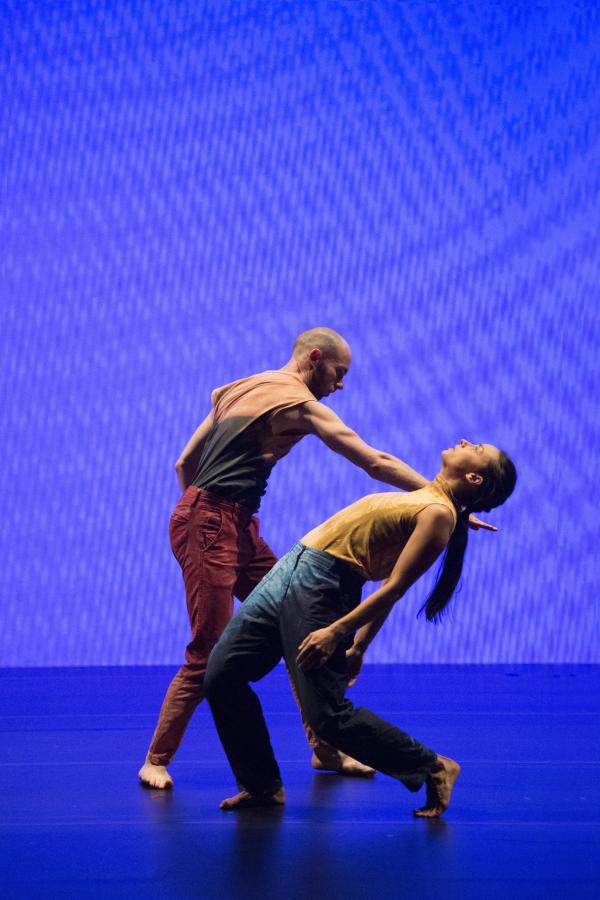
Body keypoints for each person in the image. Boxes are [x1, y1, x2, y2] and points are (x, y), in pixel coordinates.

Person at [140, 327, 496, 789]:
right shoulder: (302, 406)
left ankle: (325, 748)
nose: (340, 384)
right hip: (213, 525)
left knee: (296, 622)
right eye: (338, 373)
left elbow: (184, 464)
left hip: (231, 522)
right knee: (208, 649)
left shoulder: (236, 389)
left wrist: (197, 510)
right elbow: (375, 461)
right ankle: (156, 760)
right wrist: (445, 499)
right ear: (314, 358)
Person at [204, 439, 517, 817]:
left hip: (324, 588)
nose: (466, 441)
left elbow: (395, 587)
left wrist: (340, 632)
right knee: (221, 675)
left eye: (477, 448)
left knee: (327, 717)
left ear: (474, 477)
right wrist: (360, 646)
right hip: (289, 571)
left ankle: (433, 766)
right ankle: (261, 786)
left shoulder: (438, 514)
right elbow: (390, 576)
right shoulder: (427, 497)